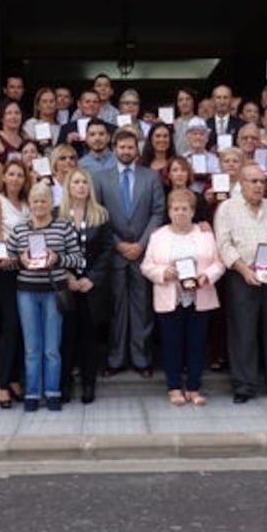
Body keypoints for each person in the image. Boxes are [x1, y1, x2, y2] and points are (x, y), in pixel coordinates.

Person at [214, 163, 267, 403]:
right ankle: (244, 385)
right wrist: (242, 269)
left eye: (262, 181)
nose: (259, 186)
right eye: (254, 181)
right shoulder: (227, 208)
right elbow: (224, 244)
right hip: (243, 274)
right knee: (243, 331)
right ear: (241, 183)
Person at [142, 188, 225, 406]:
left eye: (185, 209)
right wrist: (162, 273)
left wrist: (207, 275)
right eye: (176, 209)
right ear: (169, 211)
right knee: (172, 344)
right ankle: (174, 387)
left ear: (192, 211)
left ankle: (194, 387)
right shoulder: (158, 236)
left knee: (197, 344)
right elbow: (146, 266)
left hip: (200, 296)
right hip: (171, 296)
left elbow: (219, 263)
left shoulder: (205, 235)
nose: (180, 213)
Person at [94, 127, 166, 376]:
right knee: (116, 308)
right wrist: (118, 244)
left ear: (137, 150)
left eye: (130, 147)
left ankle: (141, 359)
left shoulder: (151, 177)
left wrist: (141, 244)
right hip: (114, 253)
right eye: (121, 147)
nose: (126, 151)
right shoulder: (101, 178)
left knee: (141, 308)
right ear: (114, 149)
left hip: (143, 253)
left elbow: (158, 212)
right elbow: (99, 215)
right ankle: (115, 360)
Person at [6, 184, 84, 412]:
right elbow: (7, 263)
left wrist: (57, 258)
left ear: (51, 203)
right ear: (29, 203)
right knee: (32, 347)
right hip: (27, 291)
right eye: (35, 201)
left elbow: (78, 259)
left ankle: (52, 392)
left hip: (53, 290)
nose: (39, 205)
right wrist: (20, 260)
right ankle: (32, 393)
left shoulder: (63, 227)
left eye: (43, 201)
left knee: (52, 347)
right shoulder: (20, 230)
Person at [58, 167, 113, 404]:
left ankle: (89, 384)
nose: (81, 186)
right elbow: (53, 249)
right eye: (76, 182)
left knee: (89, 338)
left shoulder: (101, 215)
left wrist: (91, 278)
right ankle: (66, 384)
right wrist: (67, 276)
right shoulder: (56, 216)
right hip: (66, 286)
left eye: (84, 182)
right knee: (66, 337)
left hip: (92, 287)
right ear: (68, 187)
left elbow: (107, 251)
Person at [0, 160, 31, 408]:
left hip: (26, 270)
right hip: (6, 271)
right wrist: (9, 258)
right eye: (11, 174)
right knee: (10, 325)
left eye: (20, 175)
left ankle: (14, 378)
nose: (15, 179)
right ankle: (2, 384)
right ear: (3, 177)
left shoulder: (26, 204)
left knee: (22, 327)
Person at [166, 156, 211, 224]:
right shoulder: (163, 198)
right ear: (169, 174)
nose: (179, 174)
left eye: (183, 170)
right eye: (175, 170)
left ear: (188, 174)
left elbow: (204, 222)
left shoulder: (199, 198)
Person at [172, 87, 198, 156]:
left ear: (193, 101)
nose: (184, 102)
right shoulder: (173, 124)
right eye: (181, 100)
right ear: (177, 104)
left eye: (188, 99)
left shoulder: (201, 122)